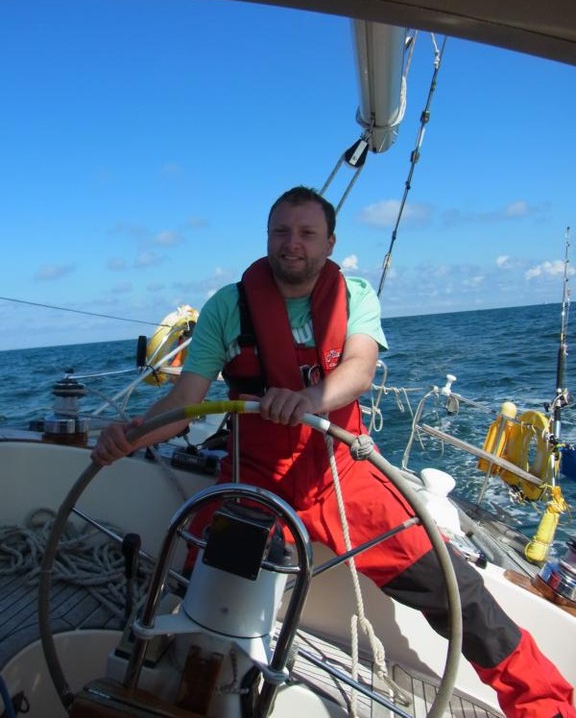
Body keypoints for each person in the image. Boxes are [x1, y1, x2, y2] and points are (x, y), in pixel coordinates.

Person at [92, 186, 575, 718]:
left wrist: (306, 400)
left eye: (307, 233)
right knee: (197, 585)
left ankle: (546, 705)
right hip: (254, 479)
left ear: (329, 243)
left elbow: (360, 368)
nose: (292, 243)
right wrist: (128, 436)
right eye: (281, 231)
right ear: (267, 238)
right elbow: (185, 399)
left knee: (457, 591)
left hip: (343, 477)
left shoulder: (356, 297)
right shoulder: (227, 308)